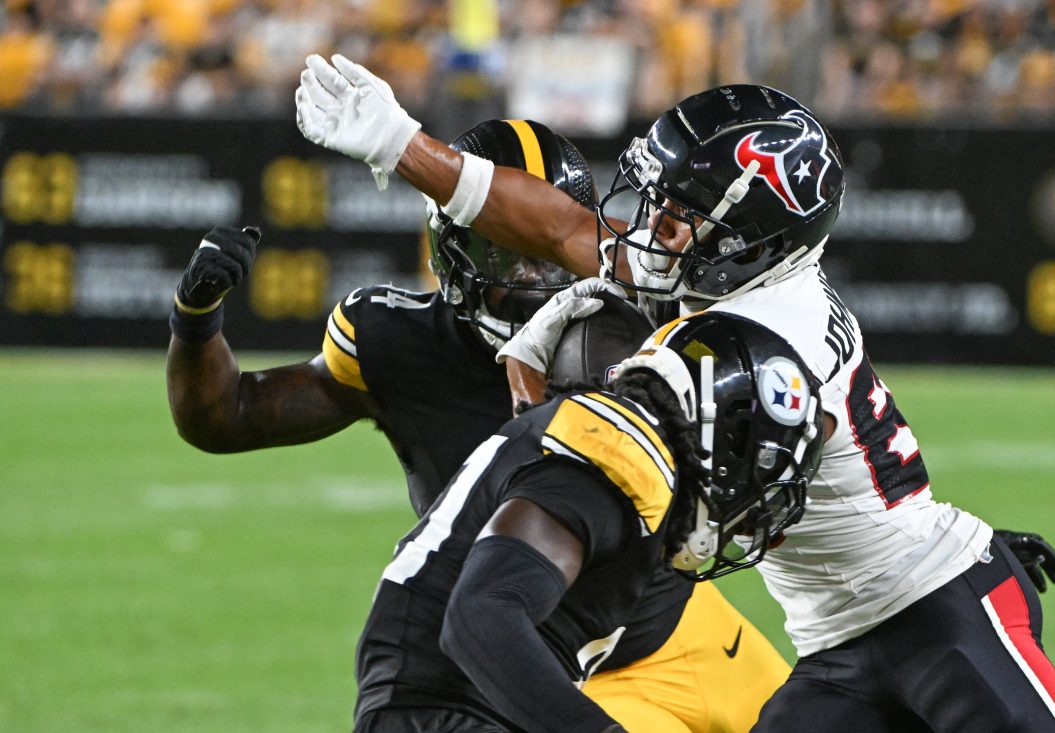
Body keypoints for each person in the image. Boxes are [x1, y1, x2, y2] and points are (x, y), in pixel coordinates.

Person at [295, 55, 1055, 731]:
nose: (654, 226)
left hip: (936, 605)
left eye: (679, 212)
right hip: (832, 639)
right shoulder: (736, 278)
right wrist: (407, 148)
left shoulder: (764, 337)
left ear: (750, 234)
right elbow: (565, 231)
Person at [167, 117, 793, 733]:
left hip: (675, 623)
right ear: (453, 250)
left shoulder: (637, 310)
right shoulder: (396, 343)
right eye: (503, 253)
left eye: (543, 253)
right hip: (531, 667)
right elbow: (227, 418)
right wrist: (195, 321)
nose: (533, 280)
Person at [353, 311, 824, 733]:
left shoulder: (625, 448)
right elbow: (483, 614)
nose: (751, 497)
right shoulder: (624, 451)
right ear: (714, 431)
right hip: (443, 713)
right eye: (754, 466)